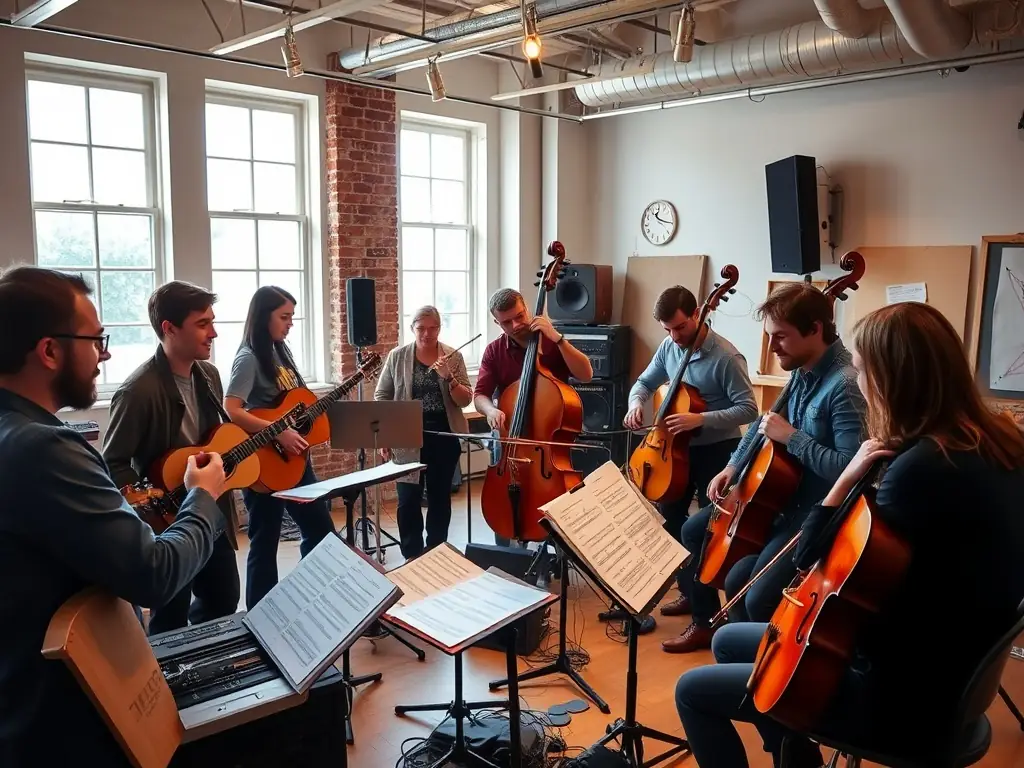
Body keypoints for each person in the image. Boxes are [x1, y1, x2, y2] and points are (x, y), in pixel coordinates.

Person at [674, 301, 1024, 768]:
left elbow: (812, 558)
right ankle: (795, 755)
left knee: (691, 690)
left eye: (861, 371)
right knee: (726, 641)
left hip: (903, 698)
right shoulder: (997, 441)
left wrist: (846, 476)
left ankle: (795, 739)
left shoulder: (919, 470)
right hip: (955, 669)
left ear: (891, 379)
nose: (857, 381)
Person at [0, 266, 228, 768]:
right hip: (59, 721)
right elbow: (154, 574)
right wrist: (202, 498)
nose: (104, 353)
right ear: (50, 351)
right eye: (96, 339)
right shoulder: (44, 447)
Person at [665, 282, 865, 653]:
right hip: (778, 498)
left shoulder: (845, 385)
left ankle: (761, 665)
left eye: (781, 337)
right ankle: (717, 631)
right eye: (770, 336)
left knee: (754, 595)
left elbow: (849, 470)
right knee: (696, 530)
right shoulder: (803, 368)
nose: (772, 348)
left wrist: (792, 438)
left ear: (816, 329)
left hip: (809, 515)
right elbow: (762, 425)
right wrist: (732, 466)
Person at [621, 285, 757, 649]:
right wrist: (636, 403)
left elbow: (749, 410)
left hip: (717, 452)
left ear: (696, 313)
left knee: (703, 534)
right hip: (673, 452)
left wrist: (702, 419)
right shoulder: (670, 347)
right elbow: (645, 382)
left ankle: (705, 618)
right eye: (667, 329)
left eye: (679, 328)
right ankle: (687, 591)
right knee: (670, 522)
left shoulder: (727, 357)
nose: (674, 337)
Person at [103, 281, 240, 634]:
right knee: (169, 620)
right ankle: (171, 684)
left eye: (212, 321)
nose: (214, 333)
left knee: (223, 601)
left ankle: (211, 673)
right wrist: (155, 506)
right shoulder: (137, 391)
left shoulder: (208, 375)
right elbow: (113, 463)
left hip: (212, 513)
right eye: (202, 324)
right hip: (167, 526)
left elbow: (214, 442)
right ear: (169, 328)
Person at [224, 285, 335, 609]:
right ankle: (261, 616)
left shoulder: (280, 352)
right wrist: (277, 432)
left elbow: (292, 405)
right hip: (266, 464)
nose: (289, 323)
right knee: (265, 540)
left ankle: (300, 599)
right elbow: (232, 408)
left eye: (291, 317)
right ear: (263, 317)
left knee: (321, 531)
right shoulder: (248, 357)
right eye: (284, 317)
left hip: (296, 461)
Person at [473, 288, 594, 546]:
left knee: (557, 504)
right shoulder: (495, 351)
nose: (516, 325)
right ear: (497, 322)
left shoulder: (552, 341)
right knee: (504, 497)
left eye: (519, 316)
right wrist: (491, 410)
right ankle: (506, 557)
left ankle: (553, 557)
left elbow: (586, 374)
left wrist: (558, 339)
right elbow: (480, 395)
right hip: (510, 440)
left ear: (526, 307)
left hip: (547, 446)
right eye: (506, 322)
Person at [375, 306, 473, 559]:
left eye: (433, 328)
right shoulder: (397, 356)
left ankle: (437, 551)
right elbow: (382, 395)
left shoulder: (453, 356)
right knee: (408, 499)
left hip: (443, 433)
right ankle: (412, 554)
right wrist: (384, 435)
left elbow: (464, 400)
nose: (427, 334)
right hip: (405, 433)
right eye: (421, 328)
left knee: (440, 497)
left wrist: (448, 377)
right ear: (412, 329)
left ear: (439, 328)